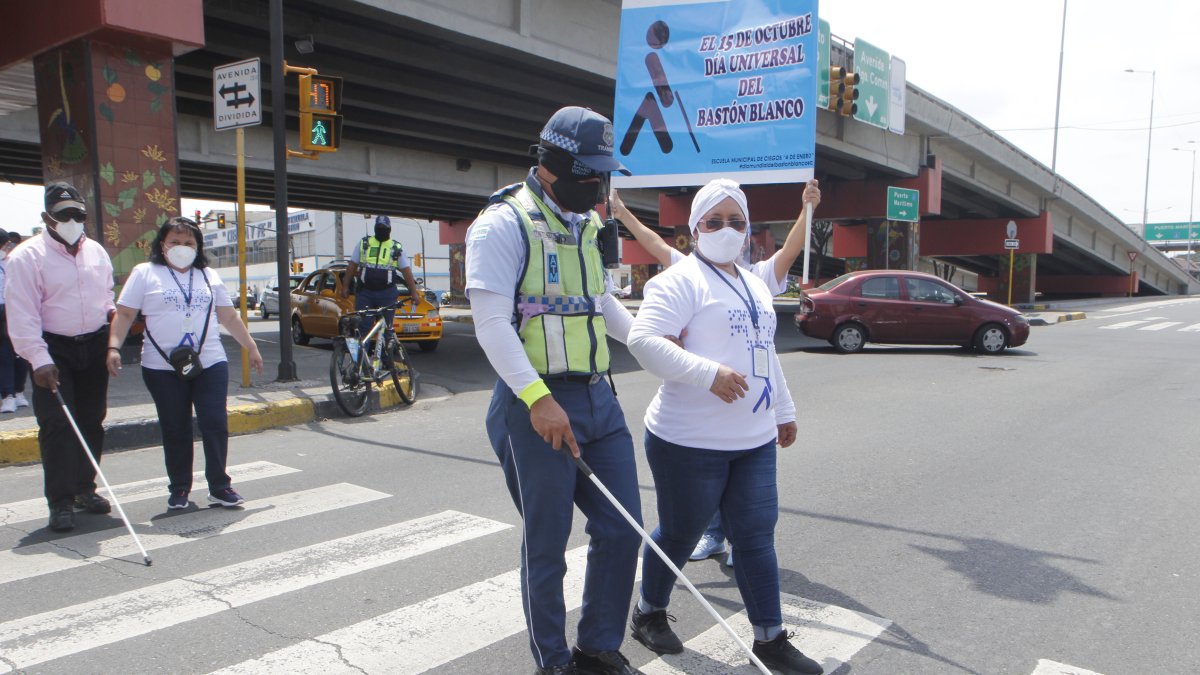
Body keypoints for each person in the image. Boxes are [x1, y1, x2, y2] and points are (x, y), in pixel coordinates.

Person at [467, 106, 644, 675]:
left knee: (622, 526)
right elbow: (491, 324)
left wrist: (666, 349)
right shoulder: (501, 224)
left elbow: (604, 307)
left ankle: (597, 646)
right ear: (552, 166)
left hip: (599, 396)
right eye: (590, 173)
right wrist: (539, 400)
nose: (599, 185)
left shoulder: (588, 226)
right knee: (547, 542)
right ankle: (553, 661)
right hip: (533, 404)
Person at [626, 179, 823, 674]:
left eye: (736, 221)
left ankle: (770, 640)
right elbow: (644, 341)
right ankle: (648, 612)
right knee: (679, 533)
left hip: (753, 441)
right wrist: (707, 374)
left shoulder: (755, 283)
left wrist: (783, 409)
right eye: (714, 222)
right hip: (687, 441)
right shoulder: (678, 280)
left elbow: (765, 356)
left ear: (749, 229)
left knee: (756, 536)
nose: (727, 230)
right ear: (694, 230)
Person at [106, 217, 264, 511]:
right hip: (161, 367)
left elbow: (229, 316)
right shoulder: (145, 273)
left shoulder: (208, 276)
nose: (182, 247)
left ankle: (220, 486)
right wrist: (113, 347)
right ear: (162, 245)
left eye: (189, 243)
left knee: (214, 423)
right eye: (175, 242)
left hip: (209, 362)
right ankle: (179, 488)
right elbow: (125, 314)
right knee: (175, 427)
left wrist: (250, 347)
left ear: (198, 247)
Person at [6, 182, 116, 532]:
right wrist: (38, 359)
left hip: (94, 343)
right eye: (64, 214)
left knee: (91, 420)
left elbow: (106, 295)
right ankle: (61, 500)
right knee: (57, 425)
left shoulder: (96, 251)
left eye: (78, 214)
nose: (72, 220)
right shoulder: (26, 256)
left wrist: (114, 319)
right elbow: (22, 313)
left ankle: (85, 488)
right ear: (46, 217)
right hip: (54, 348)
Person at [341, 215, 420, 343]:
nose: (381, 230)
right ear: (375, 228)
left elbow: (406, 271)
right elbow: (352, 265)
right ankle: (362, 361)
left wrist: (414, 292)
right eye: (379, 227)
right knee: (364, 329)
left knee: (386, 330)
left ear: (390, 229)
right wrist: (345, 286)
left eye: (384, 227)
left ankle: (385, 361)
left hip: (387, 294)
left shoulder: (396, 247)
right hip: (365, 293)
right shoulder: (364, 243)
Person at [0, 228, 30, 413]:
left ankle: (18, 392)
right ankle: (7, 395)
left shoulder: (14, 262)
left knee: (20, 354)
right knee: (4, 356)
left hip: (14, 310)